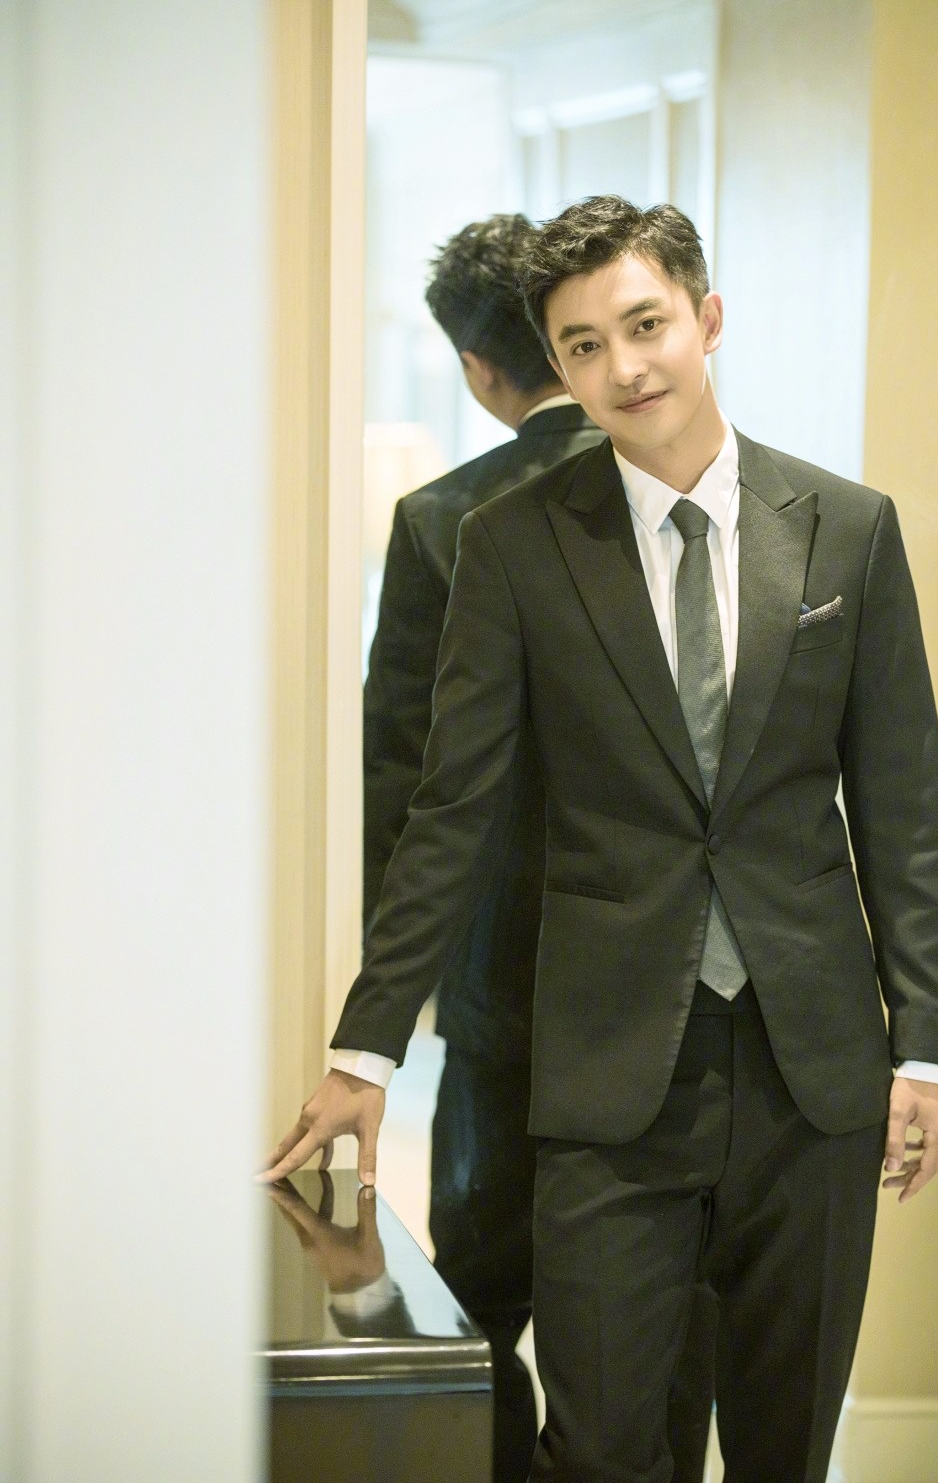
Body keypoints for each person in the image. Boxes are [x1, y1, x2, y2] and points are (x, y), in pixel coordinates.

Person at [263, 197, 938, 1483]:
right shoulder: (512, 545)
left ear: (707, 318)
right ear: (556, 363)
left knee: (784, 1447)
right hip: (605, 1070)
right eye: (582, 346)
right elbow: (449, 811)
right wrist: (367, 1047)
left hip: (813, 1070)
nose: (623, 367)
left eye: (644, 326)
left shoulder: (846, 527)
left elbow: (902, 804)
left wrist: (927, 1046)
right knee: (597, 1448)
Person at [362, 214, 600, 1483]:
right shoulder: (690, 497)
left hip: (499, 978)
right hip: (681, 992)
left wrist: (376, 1002)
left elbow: (398, 781)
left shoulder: (439, 522)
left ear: (474, 367)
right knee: (655, 1309)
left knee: (481, 1296)